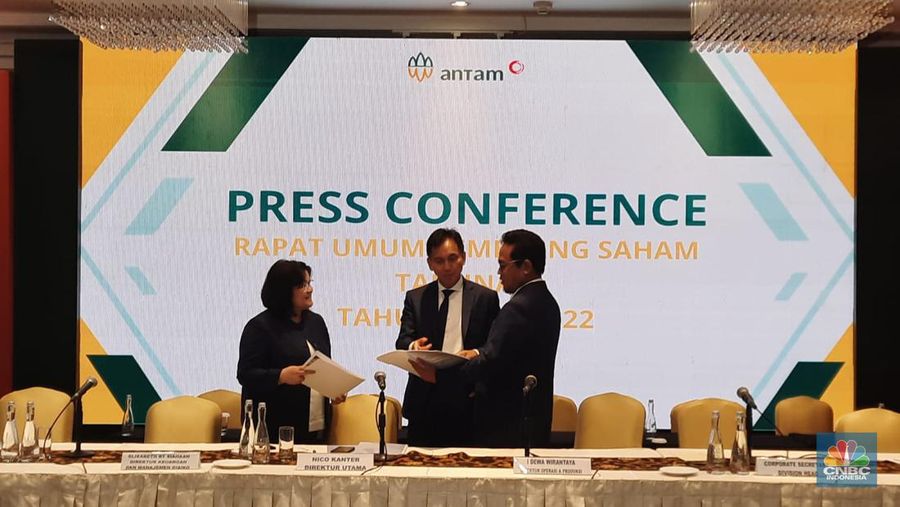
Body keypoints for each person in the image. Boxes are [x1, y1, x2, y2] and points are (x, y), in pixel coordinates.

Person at [419, 229, 560, 448]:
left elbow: (492, 361)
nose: (499, 272)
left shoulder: (519, 307)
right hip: (529, 421)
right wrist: (477, 352)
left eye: (503, 265)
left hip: (508, 426)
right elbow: (505, 353)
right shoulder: (546, 301)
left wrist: (438, 374)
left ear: (525, 267)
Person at [395, 228, 500, 446]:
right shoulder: (416, 298)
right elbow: (403, 340)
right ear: (430, 264)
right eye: (439, 261)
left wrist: (476, 353)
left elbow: (493, 347)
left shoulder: (485, 298)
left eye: (453, 258)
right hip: (425, 398)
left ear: (464, 257)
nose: (447, 267)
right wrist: (414, 346)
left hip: (467, 398)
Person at [237, 259, 345, 443]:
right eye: (302, 285)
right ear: (284, 291)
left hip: (316, 428)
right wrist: (281, 376)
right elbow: (246, 375)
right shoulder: (259, 327)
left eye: (309, 283)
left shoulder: (316, 323)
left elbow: (323, 366)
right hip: (275, 429)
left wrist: (333, 388)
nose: (310, 289)